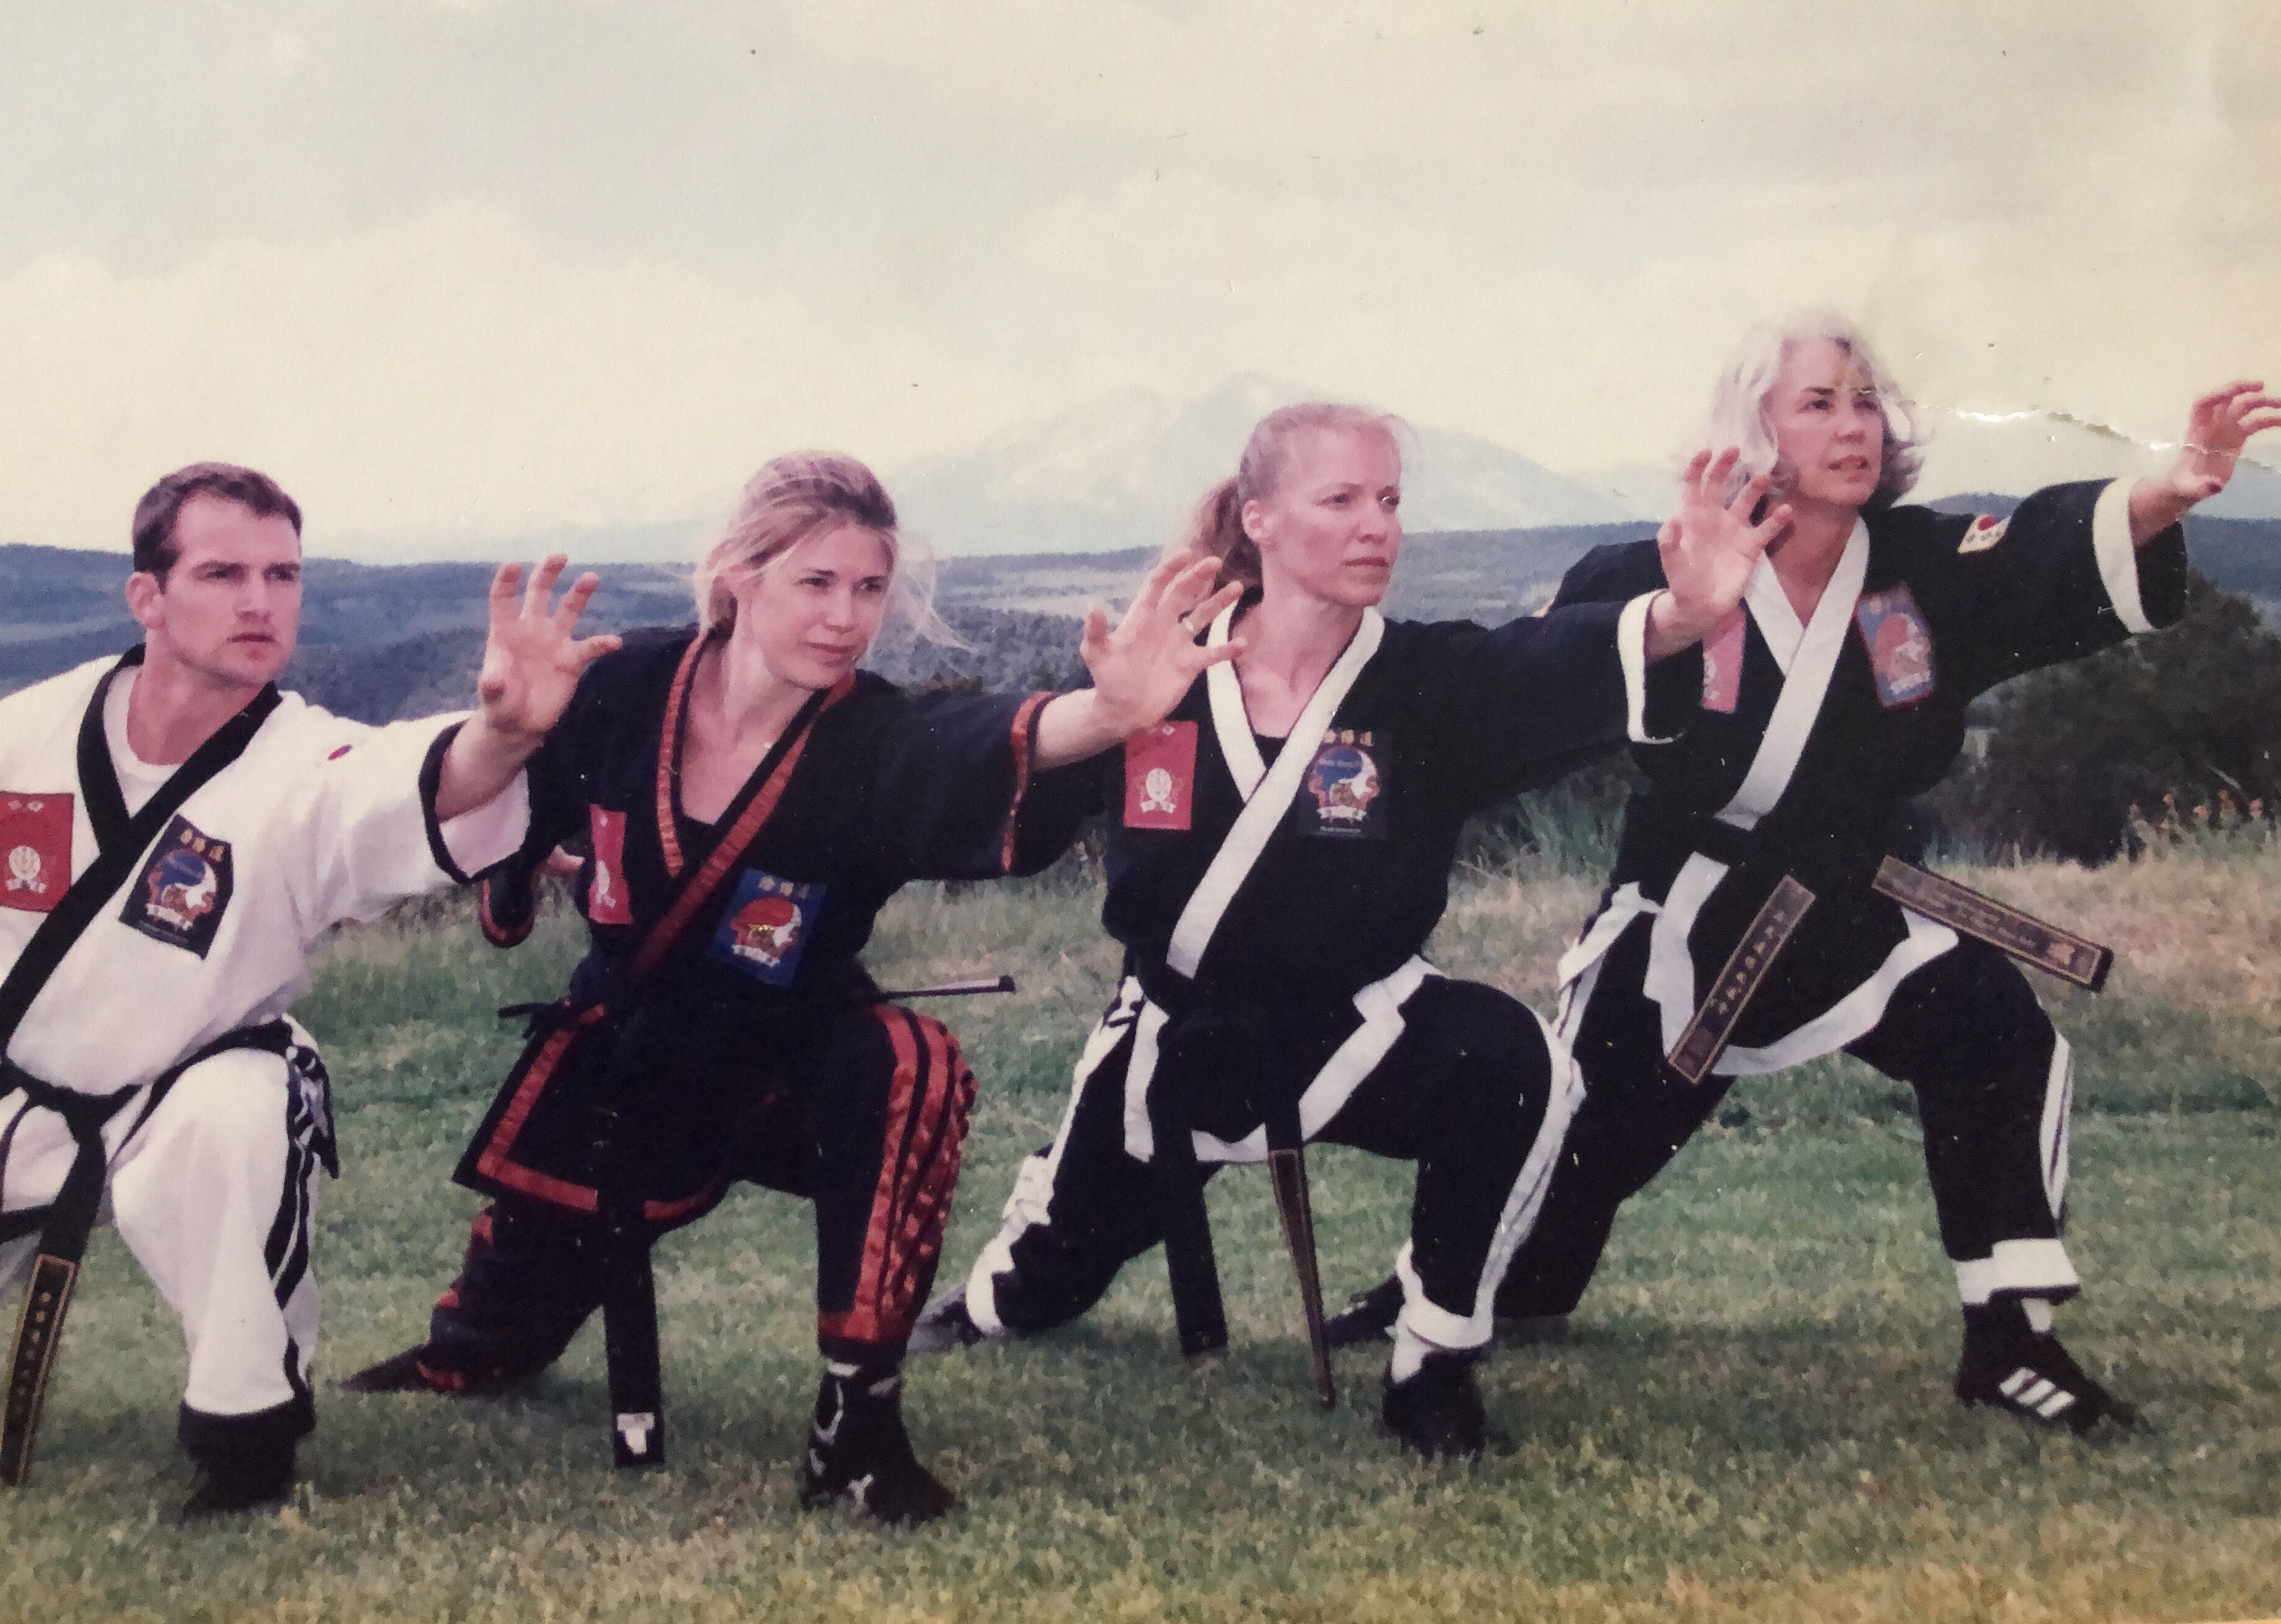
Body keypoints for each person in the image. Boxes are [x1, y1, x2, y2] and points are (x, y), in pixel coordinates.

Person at [1321, 313, 2281, 1435]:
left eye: (1865, 401)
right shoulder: (1647, 570)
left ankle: (2011, 1337)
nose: (1853, 425)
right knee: (1575, 1164)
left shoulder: (1923, 568)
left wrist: (2173, 489)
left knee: (1993, 1024)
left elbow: (2043, 554)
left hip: (1857, 904)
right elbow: (1523, 687)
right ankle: (1444, 1287)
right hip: (1687, 916)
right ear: (1755, 431)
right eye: (1818, 403)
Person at [341, 451, 1244, 1525]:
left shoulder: (870, 735)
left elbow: (984, 741)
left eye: (868, 589)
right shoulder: (623, 685)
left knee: (909, 1063)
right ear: (739, 576)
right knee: (486, 1349)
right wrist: (505, 736)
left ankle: (856, 1426)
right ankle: (474, 1342)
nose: (845, 618)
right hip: (624, 1058)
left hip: (789, 1057)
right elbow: (486, 805)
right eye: (816, 583)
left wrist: (1105, 716)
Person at [909, 402, 1775, 1458]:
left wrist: (1682, 618)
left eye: (1391, 501)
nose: (1378, 526)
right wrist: (1098, 714)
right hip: (1179, 1040)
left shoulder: (1430, 680)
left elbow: (1554, 660)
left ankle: (1434, 1362)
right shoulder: (1166, 675)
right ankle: (997, 1297)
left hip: (1361, 1026)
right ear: (1261, 518)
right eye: (1341, 500)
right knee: (1051, 1273)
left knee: (1518, 1063)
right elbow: (1005, 783)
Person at [0, 463, 616, 1520]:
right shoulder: (10, 739)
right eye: (222, 572)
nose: (260, 601)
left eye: (283, 574)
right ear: (147, 597)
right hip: (21, 1096)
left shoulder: (303, 763)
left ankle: (247, 1438)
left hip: (188, 1095)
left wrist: (508, 734)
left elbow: (416, 781)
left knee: (242, 1114)